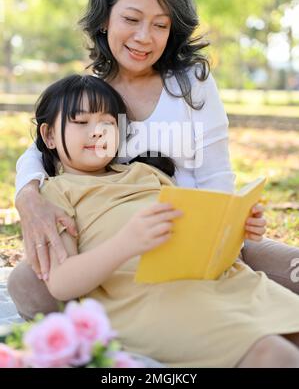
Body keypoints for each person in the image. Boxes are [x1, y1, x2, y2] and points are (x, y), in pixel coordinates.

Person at [8, 0, 299, 321]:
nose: (144, 37)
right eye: (131, 19)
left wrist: (224, 236)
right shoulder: (90, 94)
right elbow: (37, 149)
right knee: (29, 286)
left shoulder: (191, 84)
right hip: (114, 248)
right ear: (104, 19)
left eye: (160, 25)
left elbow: (216, 177)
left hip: (196, 238)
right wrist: (28, 197)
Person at [14, 73, 299, 368]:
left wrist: (237, 227)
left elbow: (194, 226)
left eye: (107, 123)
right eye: (81, 122)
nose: (97, 132)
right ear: (48, 136)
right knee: (274, 354)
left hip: (217, 281)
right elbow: (61, 284)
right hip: (147, 299)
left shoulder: (145, 173)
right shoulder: (55, 194)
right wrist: (127, 243)